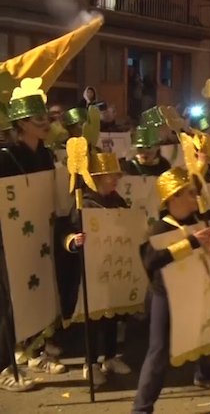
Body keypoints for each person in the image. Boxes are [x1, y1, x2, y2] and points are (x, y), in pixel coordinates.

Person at [131, 167, 210, 413]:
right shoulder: (159, 228)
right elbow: (151, 261)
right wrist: (190, 243)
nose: (194, 197)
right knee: (158, 353)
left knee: (208, 333)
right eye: (189, 193)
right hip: (165, 296)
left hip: (198, 288)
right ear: (174, 197)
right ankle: (141, 408)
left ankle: (204, 374)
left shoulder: (200, 218)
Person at [0, 94, 60, 392]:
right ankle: (4, 368)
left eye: (47, 117)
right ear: (21, 124)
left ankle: (35, 353)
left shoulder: (46, 155)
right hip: (9, 240)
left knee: (39, 293)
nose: (46, 124)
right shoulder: (5, 156)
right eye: (39, 119)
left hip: (40, 236)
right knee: (10, 304)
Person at [63, 152, 132, 385]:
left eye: (116, 175)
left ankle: (110, 356)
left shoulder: (118, 201)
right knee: (93, 319)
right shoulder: (84, 204)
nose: (115, 180)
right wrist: (75, 241)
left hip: (114, 266)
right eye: (109, 176)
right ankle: (90, 363)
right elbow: (68, 233)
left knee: (112, 313)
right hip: (91, 270)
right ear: (96, 177)